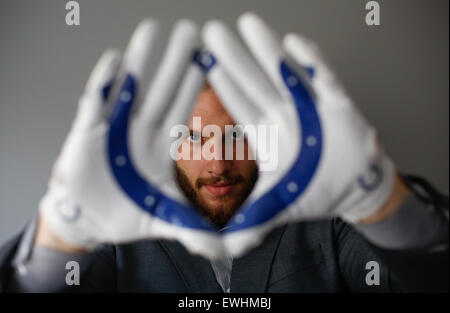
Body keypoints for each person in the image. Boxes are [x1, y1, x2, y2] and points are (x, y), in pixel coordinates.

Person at [0, 13, 448, 292]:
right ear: (166, 145)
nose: (217, 163)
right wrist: (59, 238)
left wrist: (385, 204)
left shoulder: (331, 220)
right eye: (194, 138)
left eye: (239, 136)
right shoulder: (114, 237)